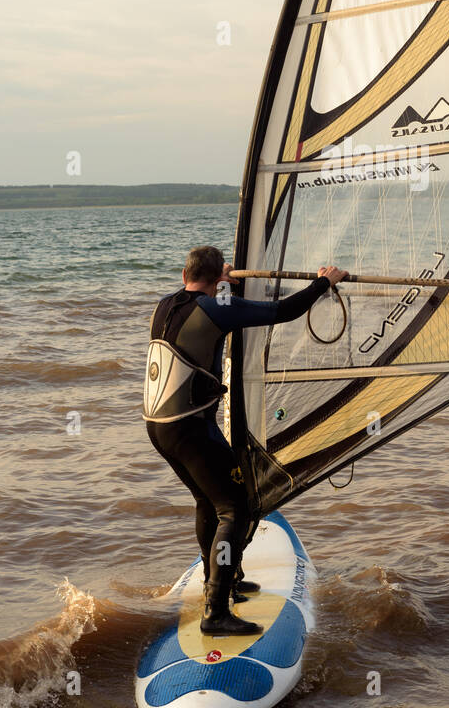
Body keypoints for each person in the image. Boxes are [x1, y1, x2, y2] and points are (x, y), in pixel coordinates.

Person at [144, 245, 347, 636]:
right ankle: (216, 612)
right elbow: (282, 312)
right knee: (236, 508)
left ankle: (220, 584)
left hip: (160, 427)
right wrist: (324, 282)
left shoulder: (165, 305)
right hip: (189, 428)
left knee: (209, 500)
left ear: (186, 274)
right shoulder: (217, 307)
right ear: (219, 276)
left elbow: (212, 312)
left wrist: (222, 282)